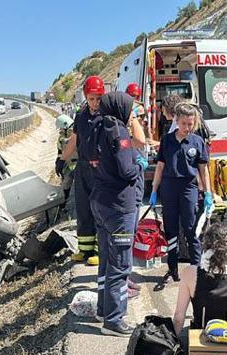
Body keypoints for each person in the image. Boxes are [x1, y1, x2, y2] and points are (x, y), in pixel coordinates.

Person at [91, 91, 147, 336]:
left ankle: (103, 310)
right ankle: (114, 320)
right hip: (119, 208)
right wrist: (139, 165)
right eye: (131, 108)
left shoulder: (99, 127)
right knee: (121, 264)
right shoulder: (119, 133)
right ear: (120, 108)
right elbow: (127, 170)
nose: (133, 112)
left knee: (106, 260)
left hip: (100, 202)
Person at [150, 102, 212, 284]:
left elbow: (203, 170)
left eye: (190, 124)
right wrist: (154, 190)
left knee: (191, 228)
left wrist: (208, 193)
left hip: (188, 188)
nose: (187, 127)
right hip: (168, 187)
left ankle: (197, 269)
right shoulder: (167, 140)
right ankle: (172, 270)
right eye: (184, 123)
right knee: (171, 230)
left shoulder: (197, 142)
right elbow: (160, 167)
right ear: (176, 121)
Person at [59, 76, 105, 266]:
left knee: (100, 210)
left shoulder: (108, 115)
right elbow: (74, 139)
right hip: (83, 167)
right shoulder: (81, 115)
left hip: (101, 169)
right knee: (83, 208)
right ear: (86, 97)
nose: (95, 102)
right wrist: (62, 159)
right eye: (91, 98)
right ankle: (85, 249)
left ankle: (100, 251)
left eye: (98, 98)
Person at [54, 114, 77, 212]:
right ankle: (62, 206)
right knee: (65, 185)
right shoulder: (62, 136)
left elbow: (70, 145)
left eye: (61, 128)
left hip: (78, 164)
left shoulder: (75, 133)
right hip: (68, 165)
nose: (60, 130)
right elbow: (60, 150)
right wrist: (58, 161)